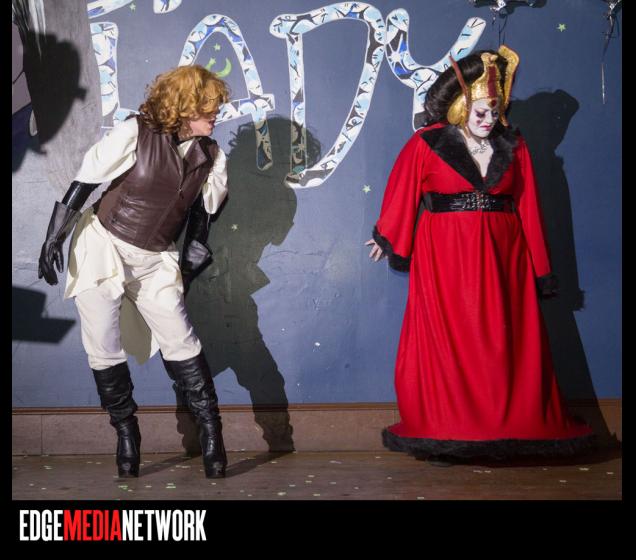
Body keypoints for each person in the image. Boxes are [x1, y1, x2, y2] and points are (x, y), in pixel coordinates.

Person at [366, 46, 596, 465]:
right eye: (481, 111)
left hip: (505, 254)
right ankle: (453, 425)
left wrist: (540, 269)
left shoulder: (514, 146)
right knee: (452, 336)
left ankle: (508, 426)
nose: (489, 119)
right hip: (445, 254)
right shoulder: (427, 143)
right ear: (460, 106)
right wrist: (388, 236)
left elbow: (529, 208)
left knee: (505, 339)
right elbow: (403, 189)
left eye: (495, 110)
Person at [37, 65, 230, 478]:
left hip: (154, 258)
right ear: (185, 107)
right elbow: (86, 180)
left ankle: (212, 432)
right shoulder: (135, 133)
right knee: (103, 345)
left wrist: (195, 251)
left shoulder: (212, 156)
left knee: (181, 341)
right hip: (102, 246)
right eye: (209, 107)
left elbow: (203, 213)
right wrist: (54, 236)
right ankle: (127, 432)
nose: (217, 115)